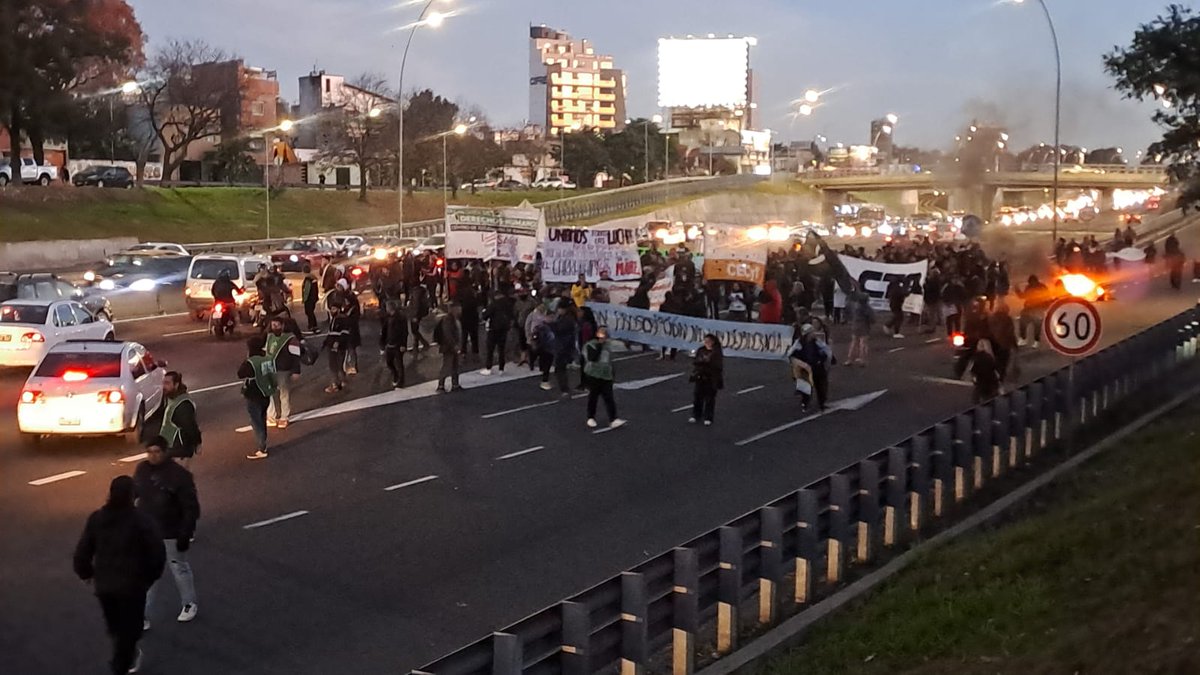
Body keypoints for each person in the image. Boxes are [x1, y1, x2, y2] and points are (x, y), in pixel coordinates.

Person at [74, 476, 165, 675]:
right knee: (132, 629)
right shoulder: (141, 521)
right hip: (132, 585)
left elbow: (83, 551)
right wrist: (150, 578)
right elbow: (157, 553)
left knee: (115, 626)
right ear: (133, 496)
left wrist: (86, 573)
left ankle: (122, 655)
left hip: (105, 585)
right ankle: (121, 665)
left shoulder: (97, 518)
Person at [133, 437, 200, 627]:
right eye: (150, 451)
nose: (153, 456)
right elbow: (135, 491)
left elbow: (190, 507)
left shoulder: (179, 475)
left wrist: (186, 532)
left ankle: (189, 603)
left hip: (171, 530)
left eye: (157, 452)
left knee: (178, 567)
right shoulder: (142, 469)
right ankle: (143, 615)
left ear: (165, 452)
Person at [147, 371, 201, 466]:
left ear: (176, 385)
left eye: (167, 383)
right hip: (170, 451)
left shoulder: (183, 405)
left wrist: (197, 443)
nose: (164, 386)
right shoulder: (172, 398)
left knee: (178, 479)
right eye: (163, 383)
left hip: (178, 453)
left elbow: (190, 427)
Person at [238, 336, 277, 460]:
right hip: (265, 392)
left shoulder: (250, 362)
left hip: (253, 393)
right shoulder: (267, 359)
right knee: (262, 418)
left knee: (256, 421)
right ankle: (263, 444)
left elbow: (240, 373)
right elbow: (273, 375)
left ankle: (261, 447)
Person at [582, 326, 624, 428]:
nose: (603, 335)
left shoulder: (608, 346)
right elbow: (592, 358)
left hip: (606, 375)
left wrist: (613, 374)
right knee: (593, 397)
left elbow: (610, 361)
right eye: (601, 332)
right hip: (593, 374)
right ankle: (591, 417)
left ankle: (613, 418)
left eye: (605, 333)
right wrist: (599, 345)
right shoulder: (591, 344)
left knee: (609, 397)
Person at [265, 316, 301, 428]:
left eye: (277, 325)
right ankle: (271, 415)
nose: (275, 327)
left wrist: (296, 371)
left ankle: (284, 416)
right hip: (269, 368)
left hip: (284, 369)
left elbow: (296, 356)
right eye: (273, 325)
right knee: (268, 393)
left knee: (284, 394)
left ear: (282, 326)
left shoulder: (290, 338)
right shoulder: (269, 337)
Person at [790, 324, 830, 412]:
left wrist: (822, 360)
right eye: (811, 332)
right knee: (806, 388)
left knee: (821, 387)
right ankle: (805, 404)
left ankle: (821, 404)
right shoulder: (799, 343)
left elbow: (825, 351)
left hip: (817, 367)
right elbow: (792, 355)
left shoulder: (817, 342)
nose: (814, 333)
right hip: (805, 368)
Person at [690, 334, 724, 426]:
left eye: (708, 341)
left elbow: (717, 365)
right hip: (700, 376)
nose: (706, 343)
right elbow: (696, 361)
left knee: (709, 398)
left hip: (711, 378)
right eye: (705, 341)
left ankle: (708, 417)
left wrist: (706, 362)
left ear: (713, 342)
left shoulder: (716, 352)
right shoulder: (701, 350)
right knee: (697, 396)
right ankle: (696, 415)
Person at [480, 288, 515, 375]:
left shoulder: (494, 304)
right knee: (501, 349)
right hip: (504, 328)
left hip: (494, 328)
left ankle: (489, 367)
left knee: (490, 349)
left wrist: (484, 313)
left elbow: (485, 316)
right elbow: (512, 315)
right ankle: (501, 368)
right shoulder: (508, 303)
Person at [549, 301, 579, 395]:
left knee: (560, 368)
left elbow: (560, 329)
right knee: (561, 368)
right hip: (564, 345)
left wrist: (551, 324)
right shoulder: (566, 318)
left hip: (564, 345)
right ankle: (564, 387)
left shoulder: (567, 319)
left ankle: (564, 388)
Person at [435, 302, 464, 392]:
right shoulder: (448, 320)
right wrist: (454, 345)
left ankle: (455, 384)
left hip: (453, 346)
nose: (460, 310)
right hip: (449, 347)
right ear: (453, 309)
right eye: (458, 308)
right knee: (447, 366)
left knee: (455, 365)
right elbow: (448, 334)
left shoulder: (455, 318)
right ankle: (441, 385)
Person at [381, 300, 409, 388]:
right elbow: (384, 331)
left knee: (399, 363)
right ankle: (395, 374)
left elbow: (405, 332)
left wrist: (403, 345)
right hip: (389, 344)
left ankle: (401, 381)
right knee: (389, 362)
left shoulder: (400, 318)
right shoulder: (387, 318)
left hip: (397, 345)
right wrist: (382, 343)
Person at [323, 304, 350, 393]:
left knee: (334, 366)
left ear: (338, 309)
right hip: (333, 344)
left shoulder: (341, 319)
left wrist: (338, 342)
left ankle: (335, 384)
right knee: (338, 365)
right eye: (331, 308)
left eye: (334, 308)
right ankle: (343, 381)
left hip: (336, 345)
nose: (332, 310)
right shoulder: (335, 318)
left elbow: (344, 332)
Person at [1017, 275, 1048, 347]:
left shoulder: (1029, 287)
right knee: (1036, 325)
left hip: (1031, 308)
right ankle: (1035, 341)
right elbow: (1048, 297)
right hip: (1037, 309)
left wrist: (1017, 290)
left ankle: (1024, 339)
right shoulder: (1042, 286)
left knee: (1024, 323)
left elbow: (1023, 296)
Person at [845, 290, 874, 366]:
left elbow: (847, 312)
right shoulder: (867, 308)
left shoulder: (854, 306)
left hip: (855, 324)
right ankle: (862, 359)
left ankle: (850, 359)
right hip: (864, 325)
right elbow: (872, 318)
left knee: (854, 342)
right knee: (863, 343)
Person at [971, 338, 1001, 403]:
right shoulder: (991, 357)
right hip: (991, 382)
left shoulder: (977, 357)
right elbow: (996, 370)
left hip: (981, 382)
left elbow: (974, 370)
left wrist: (974, 379)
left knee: (978, 399)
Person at [407, 284, 432, 351]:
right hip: (420, 313)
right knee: (415, 329)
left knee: (414, 330)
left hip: (416, 314)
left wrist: (415, 315)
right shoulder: (420, 290)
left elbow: (416, 304)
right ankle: (416, 345)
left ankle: (424, 343)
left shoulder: (416, 292)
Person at [300, 269, 319, 334]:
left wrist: (304, 299)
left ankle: (312, 326)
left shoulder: (308, 279)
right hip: (313, 298)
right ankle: (313, 325)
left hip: (309, 299)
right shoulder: (313, 278)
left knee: (309, 312)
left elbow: (306, 291)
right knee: (311, 312)